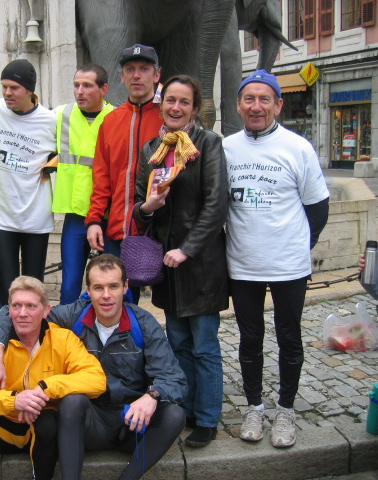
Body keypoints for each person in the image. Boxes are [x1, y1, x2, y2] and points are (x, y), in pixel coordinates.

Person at [0, 254, 186, 479]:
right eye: (98, 287)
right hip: (88, 421)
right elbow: (7, 313)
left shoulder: (143, 322)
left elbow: (174, 378)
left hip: (132, 420)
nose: (106, 295)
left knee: (175, 415)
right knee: (72, 400)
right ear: (88, 290)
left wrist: (152, 396)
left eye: (113, 286)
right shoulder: (74, 316)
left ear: (125, 287)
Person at [223, 69, 330, 448]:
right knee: (249, 339)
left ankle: (286, 410)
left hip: (288, 265)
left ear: (278, 104)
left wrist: (299, 243)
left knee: (289, 337)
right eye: (248, 99)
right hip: (242, 264)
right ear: (238, 105)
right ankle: (254, 406)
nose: (256, 107)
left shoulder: (297, 147)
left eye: (264, 99)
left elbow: (318, 207)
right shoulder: (227, 148)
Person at [133, 74, 228, 448]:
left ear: (194, 107)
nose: (176, 107)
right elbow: (142, 207)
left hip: (200, 263)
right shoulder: (151, 149)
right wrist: (148, 206)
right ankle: (185, 409)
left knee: (204, 345)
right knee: (177, 342)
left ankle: (207, 418)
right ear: (161, 103)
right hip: (166, 266)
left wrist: (187, 248)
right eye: (170, 100)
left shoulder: (208, 144)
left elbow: (216, 204)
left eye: (184, 102)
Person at [0, 275, 106, 480]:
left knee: (48, 424)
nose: (22, 313)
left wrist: (44, 388)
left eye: (31, 306)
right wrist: (13, 401)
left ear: (46, 311)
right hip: (2, 428)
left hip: (42, 429)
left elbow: (96, 379)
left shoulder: (64, 339)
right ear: (9, 311)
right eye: (16, 306)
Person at [85, 44, 163, 304]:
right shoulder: (111, 121)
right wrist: (95, 219)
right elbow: (102, 178)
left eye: (144, 69)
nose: (137, 76)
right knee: (120, 302)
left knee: (169, 302)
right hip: (120, 227)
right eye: (130, 69)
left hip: (160, 227)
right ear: (122, 76)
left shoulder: (168, 118)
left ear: (156, 75)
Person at [0, 59, 57, 307]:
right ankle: (5, 339)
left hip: (37, 216)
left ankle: (35, 339)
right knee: (7, 285)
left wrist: (54, 162)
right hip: (2, 216)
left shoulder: (50, 120)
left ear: (30, 90)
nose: (7, 93)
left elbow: (69, 148)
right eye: (4, 87)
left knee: (34, 285)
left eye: (14, 88)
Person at [52, 64, 114, 304]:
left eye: (87, 85)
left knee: (113, 282)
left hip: (109, 213)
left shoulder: (116, 118)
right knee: (69, 285)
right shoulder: (62, 114)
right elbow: (28, 114)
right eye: (76, 85)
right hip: (76, 212)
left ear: (103, 89)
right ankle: (67, 337)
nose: (80, 91)